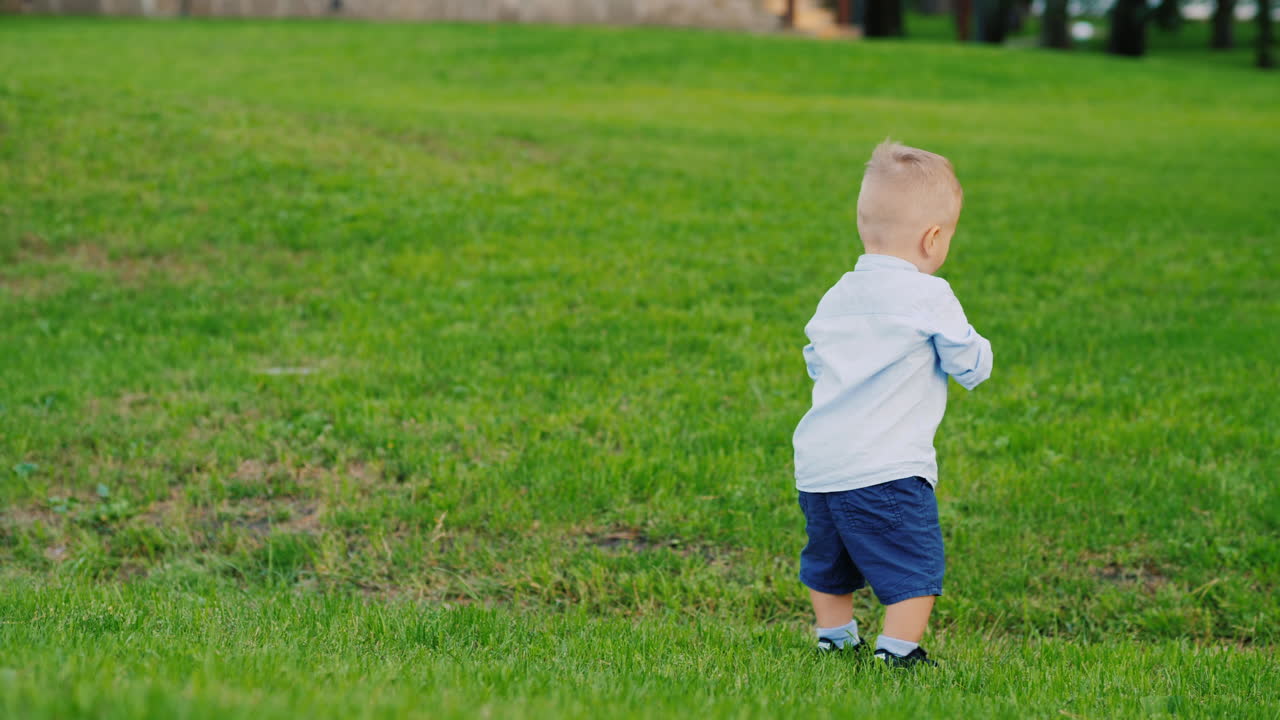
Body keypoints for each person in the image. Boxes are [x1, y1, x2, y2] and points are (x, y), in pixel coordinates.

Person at [792, 139, 992, 668]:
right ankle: (899, 653)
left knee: (827, 563)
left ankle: (835, 641)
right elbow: (970, 364)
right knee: (913, 564)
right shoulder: (930, 295)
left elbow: (816, 357)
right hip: (887, 468)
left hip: (819, 466)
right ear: (933, 238)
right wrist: (973, 351)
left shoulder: (838, 293)